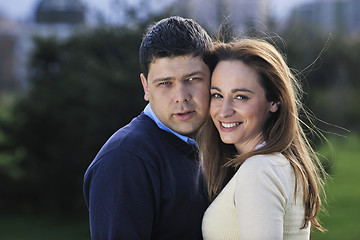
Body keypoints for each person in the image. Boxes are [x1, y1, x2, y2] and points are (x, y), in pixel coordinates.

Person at [83, 16, 212, 240]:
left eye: (192, 79)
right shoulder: (125, 159)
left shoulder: (212, 142)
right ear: (146, 87)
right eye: (165, 83)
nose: (181, 97)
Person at [198, 38, 327, 239]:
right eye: (217, 95)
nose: (224, 111)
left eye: (241, 96)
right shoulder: (276, 164)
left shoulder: (260, 170)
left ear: (274, 101)